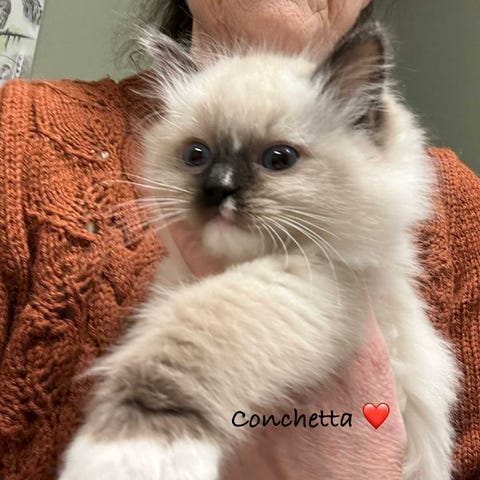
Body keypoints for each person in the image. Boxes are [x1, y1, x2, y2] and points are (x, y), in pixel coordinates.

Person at [0, 1, 477, 479]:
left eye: (278, 159)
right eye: (197, 155)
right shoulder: (18, 141)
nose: (222, 184)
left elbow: (300, 296)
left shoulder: (452, 218)